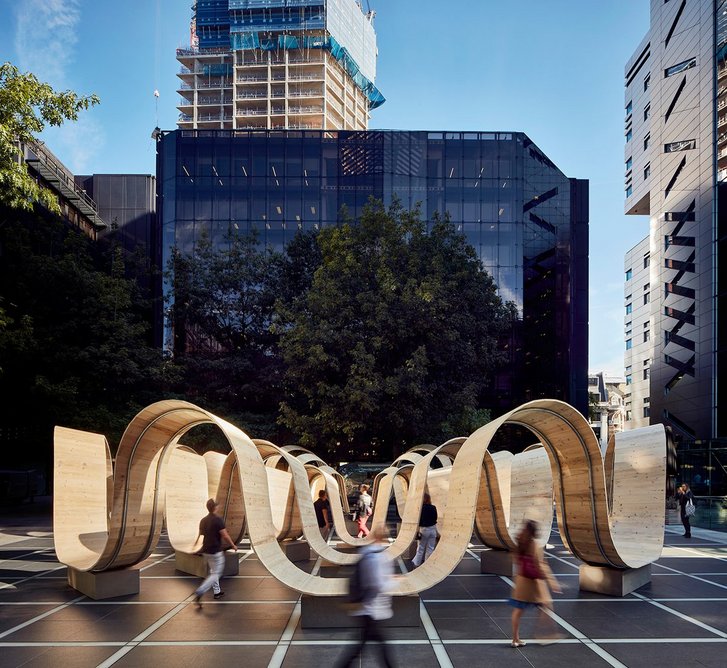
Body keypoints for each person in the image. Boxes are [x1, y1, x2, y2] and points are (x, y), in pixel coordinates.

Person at [335, 527, 394, 667]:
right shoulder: (377, 557)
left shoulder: (367, 553)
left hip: (366, 608)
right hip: (370, 608)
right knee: (376, 644)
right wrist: (394, 582)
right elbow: (376, 584)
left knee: (364, 644)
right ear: (384, 539)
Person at [508, 519, 562, 647]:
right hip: (534, 583)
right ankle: (545, 634)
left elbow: (516, 560)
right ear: (534, 532)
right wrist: (552, 582)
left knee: (518, 610)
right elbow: (541, 565)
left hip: (521, 582)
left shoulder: (520, 543)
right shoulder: (535, 545)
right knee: (546, 604)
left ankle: (515, 639)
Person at [193, 498, 237, 608]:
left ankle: (217, 592)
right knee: (216, 573)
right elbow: (225, 535)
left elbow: (200, 535)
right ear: (215, 507)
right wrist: (233, 545)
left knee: (213, 571)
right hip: (215, 551)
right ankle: (200, 591)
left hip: (206, 551)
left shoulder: (203, 520)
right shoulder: (218, 520)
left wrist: (195, 546)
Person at [411, 493, 438, 568]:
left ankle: (417, 564)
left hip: (424, 529)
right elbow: (435, 518)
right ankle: (427, 565)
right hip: (433, 529)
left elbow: (419, 520)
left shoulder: (421, 508)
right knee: (430, 548)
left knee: (421, 548)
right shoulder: (433, 507)